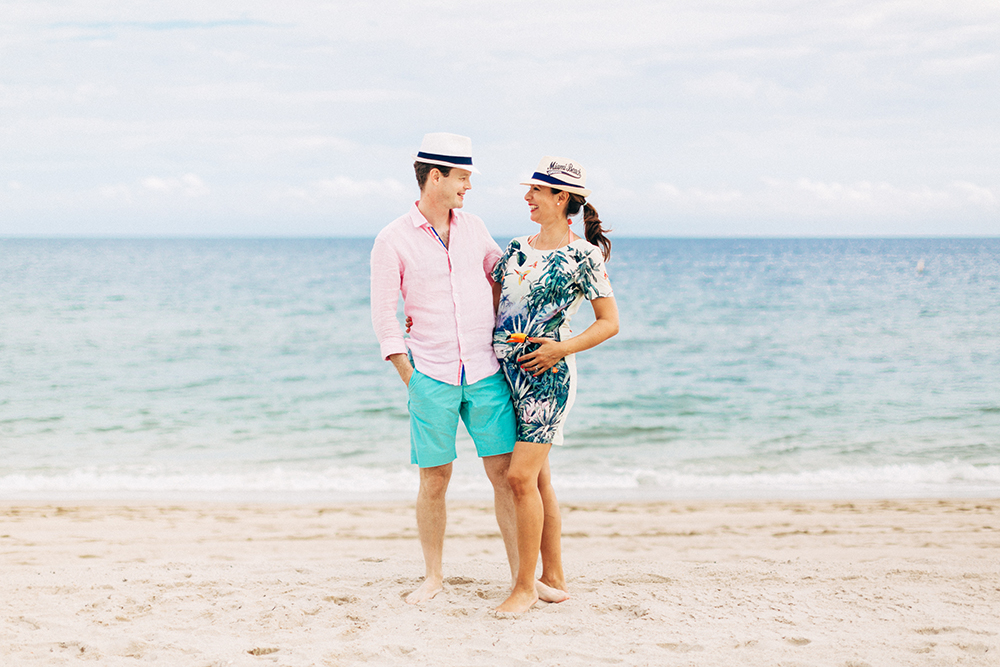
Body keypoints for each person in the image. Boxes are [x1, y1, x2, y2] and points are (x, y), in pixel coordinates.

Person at [370, 133, 519, 605]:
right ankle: (433, 577)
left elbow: (506, 273)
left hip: (485, 371)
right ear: (436, 176)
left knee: (505, 475)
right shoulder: (391, 239)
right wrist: (409, 378)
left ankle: (522, 579)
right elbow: (383, 316)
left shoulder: (474, 227)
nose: (468, 187)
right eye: (462, 178)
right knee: (434, 479)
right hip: (429, 376)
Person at [491, 156, 619, 614]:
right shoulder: (515, 247)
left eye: (537, 191)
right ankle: (554, 576)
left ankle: (525, 587)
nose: (528, 197)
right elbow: (491, 308)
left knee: (519, 478)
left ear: (560, 198)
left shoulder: (582, 255)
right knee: (539, 479)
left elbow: (609, 323)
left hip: (549, 375)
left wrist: (560, 349)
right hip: (503, 374)